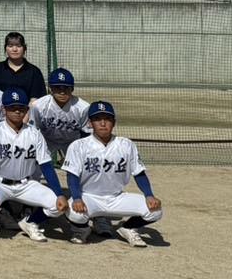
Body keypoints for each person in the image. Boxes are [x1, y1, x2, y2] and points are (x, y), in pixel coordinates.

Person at [63, 100, 163, 247]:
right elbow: (72, 176)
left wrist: (149, 194)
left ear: (114, 122)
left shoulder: (126, 144)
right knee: (73, 211)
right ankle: (83, 230)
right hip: (89, 197)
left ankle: (128, 228)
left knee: (155, 211)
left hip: (117, 197)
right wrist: (77, 198)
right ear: (90, 123)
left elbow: (139, 172)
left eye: (107, 119)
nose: (103, 123)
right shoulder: (79, 146)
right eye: (97, 119)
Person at [0, 89, 66, 242]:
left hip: (26, 184)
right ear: (3, 109)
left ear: (27, 110)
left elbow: (46, 166)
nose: (17, 111)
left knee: (57, 205)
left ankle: (31, 222)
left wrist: (59, 193)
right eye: (12, 107)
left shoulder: (34, 133)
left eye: (21, 107)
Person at [30, 68, 90, 157]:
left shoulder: (83, 107)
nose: (62, 92)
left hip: (72, 141)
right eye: (57, 87)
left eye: (66, 87)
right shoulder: (38, 106)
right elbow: (33, 130)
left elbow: (87, 133)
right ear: (51, 89)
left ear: (72, 89)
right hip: (47, 140)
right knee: (37, 164)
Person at [0, 32, 47, 100]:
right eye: (10, 46)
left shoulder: (34, 72)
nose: (14, 49)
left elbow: (37, 99)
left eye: (18, 46)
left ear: (24, 48)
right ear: (5, 48)